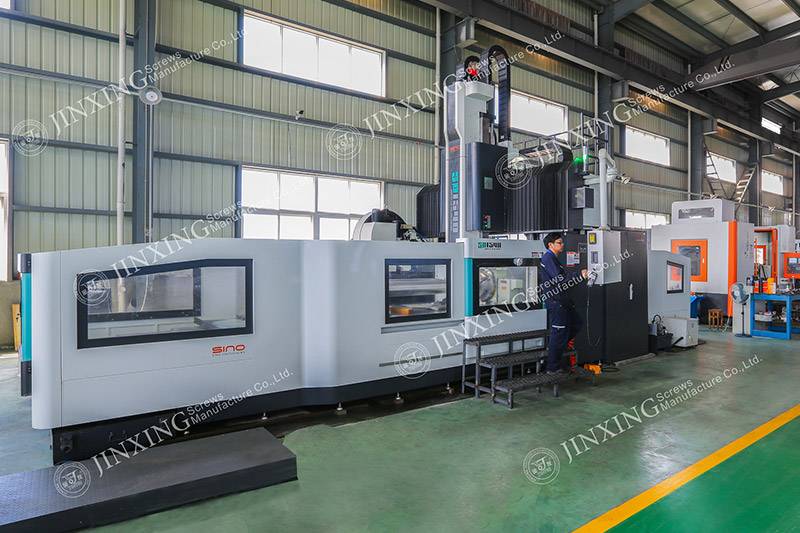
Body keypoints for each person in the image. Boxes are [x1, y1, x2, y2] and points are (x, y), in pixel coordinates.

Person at [539, 232, 588, 374]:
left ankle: (560, 348)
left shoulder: (554, 259)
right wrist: (580, 275)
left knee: (576, 323)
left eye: (562, 242)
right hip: (556, 303)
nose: (562, 245)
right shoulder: (548, 258)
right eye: (559, 243)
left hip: (563, 301)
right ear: (550, 245)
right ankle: (552, 367)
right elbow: (560, 280)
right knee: (558, 334)